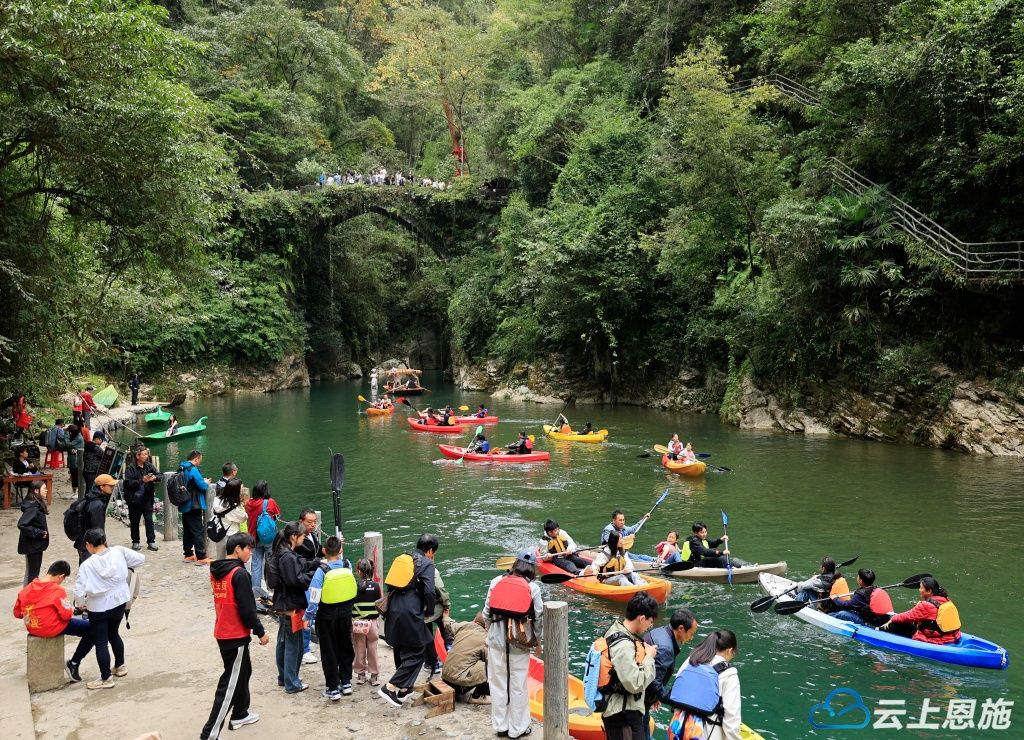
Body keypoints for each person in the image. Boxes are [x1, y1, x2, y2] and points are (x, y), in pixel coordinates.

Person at [200, 533, 268, 738]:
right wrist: (260, 631)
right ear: (238, 549)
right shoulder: (239, 574)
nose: (250, 553)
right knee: (229, 685)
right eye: (249, 549)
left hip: (223, 630)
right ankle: (209, 734)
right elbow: (248, 610)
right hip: (235, 634)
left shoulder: (217, 570)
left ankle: (240, 713)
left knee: (243, 672)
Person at [73, 528, 145, 689]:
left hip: (98, 606)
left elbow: (79, 590)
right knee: (114, 633)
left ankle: (106, 678)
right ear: (104, 540)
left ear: (89, 545)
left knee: (101, 641)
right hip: (119, 600)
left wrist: (80, 603)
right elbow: (140, 559)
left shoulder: (87, 565)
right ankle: (120, 666)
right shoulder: (118, 551)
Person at [483, 551, 543, 739]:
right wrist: (538, 642)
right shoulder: (533, 588)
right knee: (518, 686)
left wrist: (489, 633)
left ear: (515, 563)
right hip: (519, 644)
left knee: (498, 684)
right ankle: (518, 728)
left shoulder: (496, 582)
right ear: (532, 568)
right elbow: (538, 618)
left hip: (496, 643)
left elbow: (486, 613)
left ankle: (501, 726)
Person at [379, 534, 438, 707]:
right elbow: (429, 591)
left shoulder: (403, 558)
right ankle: (390, 687)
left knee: (401, 647)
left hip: (394, 607)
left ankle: (405, 688)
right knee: (419, 650)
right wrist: (429, 611)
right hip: (410, 610)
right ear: (430, 551)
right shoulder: (426, 563)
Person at [13, 560, 95, 681]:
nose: (62, 581)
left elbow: (17, 614)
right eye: (64, 579)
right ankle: (74, 663)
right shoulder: (57, 590)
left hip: (33, 628)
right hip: (51, 627)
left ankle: (73, 664)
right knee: (94, 629)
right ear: (61, 576)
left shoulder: (26, 589)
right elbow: (66, 616)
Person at [600, 592, 659, 740]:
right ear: (642, 618)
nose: (650, 626)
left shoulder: (615, 630)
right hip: (623, 716)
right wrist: (649, 657)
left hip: (622, 712)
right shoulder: (624, 645)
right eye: (650, 622)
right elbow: (634, 683)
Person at [304, 536, 356, 700]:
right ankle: (346, 682)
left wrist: (308, 616)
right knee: (345, 645)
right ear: (340, 550)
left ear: (324, 551)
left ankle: (333, 688)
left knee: (329, 650)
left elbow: (314, 596)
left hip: (326, 614)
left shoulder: (321, 570)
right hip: (346, 612)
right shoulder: (347, 565)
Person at [667, 630, 742, 740]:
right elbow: (731, 718)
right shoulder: (729, 674)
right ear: (730, 650)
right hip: (705, 734)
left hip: (677, 728)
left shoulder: (691, 660)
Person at [273, 521, 315, 694]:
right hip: (291, 604)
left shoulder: (283, 553)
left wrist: (313, 563)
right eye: (302, 535)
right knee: (293, 644)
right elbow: (296, 580)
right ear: (293, 537)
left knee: (283, 642)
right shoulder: (288, 557)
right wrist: (312, 576)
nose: (304, 538)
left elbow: (299, 567)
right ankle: (292, 682)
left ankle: (284, 677)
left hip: (283, 603)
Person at [644, 609, 699, 740]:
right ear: (681, 628)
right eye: (691, 634)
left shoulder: (659, 632)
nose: (691, 638)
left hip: (639, 697)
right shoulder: (666, 648)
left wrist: (655, 697)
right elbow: (653, 681)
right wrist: (676, 701)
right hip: (638, 703)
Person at [880, 576, 962, 644]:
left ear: (929, 591)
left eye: (921, 588)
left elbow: (907, 616)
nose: (919, 590)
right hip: (953, 636)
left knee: (895, 623)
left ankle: (877, 630)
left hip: (936, 640)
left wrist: (892, 619)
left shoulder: (925, 605)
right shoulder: (946, 599)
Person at [441, 612, 490, 704]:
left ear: (474, 619)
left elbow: (449, 624)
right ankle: (477, 697)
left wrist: (445, 616)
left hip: (445, 677)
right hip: (458, 685)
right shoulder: (486, 638)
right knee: (489, 664)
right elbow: (490, 660)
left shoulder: (462, 626)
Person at [244, 480, 280, 601]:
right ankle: (271, 589)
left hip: (253, 537)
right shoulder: (270, 502)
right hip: (268, 538)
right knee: (271, 563)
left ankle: (256, 590)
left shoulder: (249, 503)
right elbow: (277, 515)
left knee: (256, 563)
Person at [295, 508, 321, 664]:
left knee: (311, 611)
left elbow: (318, 552)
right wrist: (317, 562)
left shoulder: (312, 535)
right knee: (307, 612)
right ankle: (304, 650)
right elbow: (302, 562)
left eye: (314, 522)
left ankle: (305, 644)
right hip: (305, 580)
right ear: (301, 522)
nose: (312, 525)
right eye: (309, 522)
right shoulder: (298, 540)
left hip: (313, 579)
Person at [122, 446, 160, 552]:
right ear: (137, 456)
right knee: (134, 521)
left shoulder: (149, 466)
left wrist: (155, 478)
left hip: (147, 498)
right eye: (144, 454)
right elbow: (128, 483)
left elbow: (160, 475)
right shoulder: (131, 468)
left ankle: (151, 541)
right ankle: (135, 541)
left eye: (146, 454)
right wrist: (142, 480)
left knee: (149, 521)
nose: (146, 456)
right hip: (134, 499)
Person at [351, 558, 382, 686]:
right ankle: (374, 676)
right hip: (372, 623)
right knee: (373, 648)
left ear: (359, 571)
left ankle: (361, 675)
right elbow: (381, 603)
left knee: (359, 648)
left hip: (358, 624)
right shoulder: (376, 586)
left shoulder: (355, 586)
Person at [74, 474, 117, 564]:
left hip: (85, 542)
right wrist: (103, 544)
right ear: (102, 487)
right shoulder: (97, 504)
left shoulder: (92, 498)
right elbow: (97, 528)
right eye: (110, 486)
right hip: (90, 545)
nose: (112, 488)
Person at [178, 450, 211, 565]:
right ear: (196, 458)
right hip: (194, 504)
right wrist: (206, 482)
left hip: (184, 503)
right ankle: (201, 557)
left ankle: (188, 555)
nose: (200, 462)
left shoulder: (181, 468)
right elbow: (202, 486)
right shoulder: (193, 469)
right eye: (200, 459)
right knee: (198, 530)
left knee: (187, 530)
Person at [17, 481, 49, 584]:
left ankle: (27, 593)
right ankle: (29, 593)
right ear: (36, 491)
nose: (46, 490)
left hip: (34, 545)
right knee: (33, 575)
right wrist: (39, 532)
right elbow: (22, 524)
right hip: (33, 545)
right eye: (44, 488)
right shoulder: (33, 508)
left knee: (30, 573)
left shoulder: (36, 504)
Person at [212, 478, 248, 561]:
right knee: (232, 559)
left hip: (219, 531)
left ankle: (219, 569)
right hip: (232, 535)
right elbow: (244, 517)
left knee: (220, 558)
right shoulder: (234, 508)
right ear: (236, 492)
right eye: (241, 489)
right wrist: (242, 506)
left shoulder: (217, 500)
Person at [81, 429, 106, 497]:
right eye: (101, 440)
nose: (102, 442)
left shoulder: (88, 445)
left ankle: (86, 501)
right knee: (90, 491)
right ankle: (87, 502)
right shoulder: (96, 448)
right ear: (97, 439)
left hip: (86, 471)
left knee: (88, 489)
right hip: (92, 473)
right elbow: (105, 456)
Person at [65, 424, 85, 498]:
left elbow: (67, 444)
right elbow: (67, 447)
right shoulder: (75, 436)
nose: (69, 434)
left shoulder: (78, 438)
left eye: (69, 432)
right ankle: (74, 492)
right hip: (73, 460)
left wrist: (66, 435)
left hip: (76, 461)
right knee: (73, 476)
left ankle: (77, 492)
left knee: (76, 477)